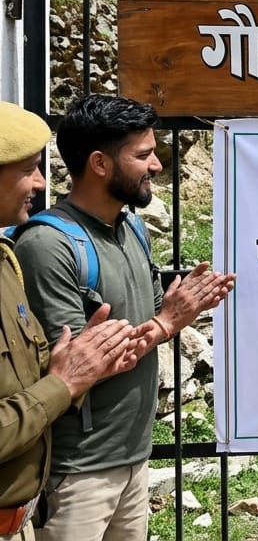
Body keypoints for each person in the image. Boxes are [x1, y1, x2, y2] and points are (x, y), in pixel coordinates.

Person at [15, 94, 235, 541]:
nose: (156, 164)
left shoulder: (132, 228)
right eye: (142, 155)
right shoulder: (49, 246)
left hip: (133, 461)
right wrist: (167, 322)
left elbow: (151, 316)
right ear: (99, 163)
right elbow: (75, 368)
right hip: (78, 472)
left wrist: (177, 309)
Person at [0, 101, 138, 539]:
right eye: (29, 170)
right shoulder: (43, 244)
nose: (41, 183)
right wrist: (66, 381)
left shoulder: (5, 263)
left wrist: (71, 364)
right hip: (76, 471)